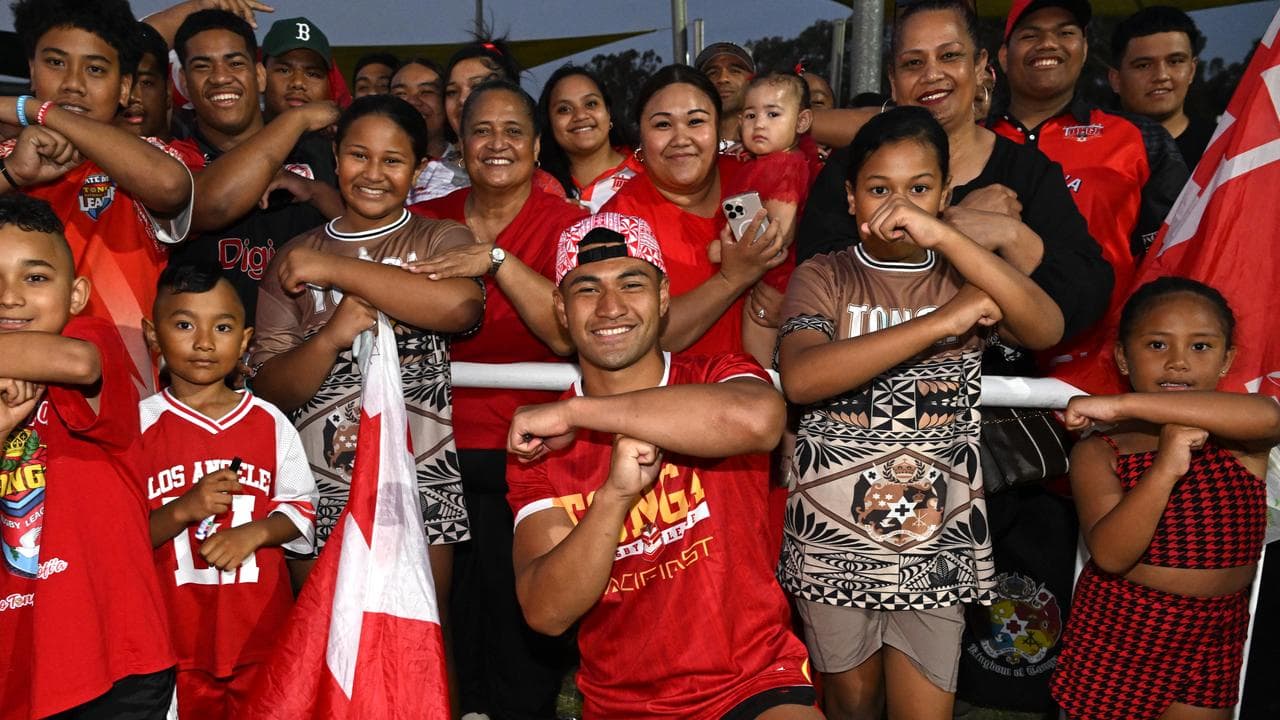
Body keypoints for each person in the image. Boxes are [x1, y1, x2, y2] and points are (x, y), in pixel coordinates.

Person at [777, 107, 1063, 720]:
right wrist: (942, 322)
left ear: (945, 193)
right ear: (851, 197)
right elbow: (802, 377)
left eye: (919, 189)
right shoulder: (823, 274)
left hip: (934, 540)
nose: (898, 208)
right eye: (879, 189)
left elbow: (1046, 325)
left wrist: (950, 239)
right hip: (832, 539)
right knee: (851, 708)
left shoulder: (965, 271)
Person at [507, 211, 820, 720]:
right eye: (587, 290)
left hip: (753, 679)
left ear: (662, 295)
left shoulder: (719, 373)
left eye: (632, 284)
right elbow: (546, 612)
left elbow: (758, 421)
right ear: (561, 311)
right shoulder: (540, 445)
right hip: (623, 701)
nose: (611, 308)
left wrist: (578, 411)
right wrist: (613, 499)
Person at [251, 96, 482, 619]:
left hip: (421, 469)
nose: (373, 173)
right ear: (335, 156)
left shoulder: (437, 237)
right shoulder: (296, 254)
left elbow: (460, 306)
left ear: (420, 168)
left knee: (422, 625)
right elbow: (268, 387)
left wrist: (335, 272)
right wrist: (330, 337)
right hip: (317, 475)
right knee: (320, 626)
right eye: (359, 155)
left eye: (394, 160)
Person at [800, 0, 1110, 378]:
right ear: (893, 81)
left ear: (980, 66)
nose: (933, 75)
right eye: (914, 63)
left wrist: (1011, 234)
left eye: (949, 56)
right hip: (862, 396)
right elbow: (823, 288)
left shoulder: (1027, 171)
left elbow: (1083, 299)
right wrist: (952, 226)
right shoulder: (852, 166)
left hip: (997, 407)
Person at [408, 79, 588, 720]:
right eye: (482, 130)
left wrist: (497, 260)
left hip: (532, 455)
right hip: (435, 454)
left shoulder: (573, 227)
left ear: (538, 147)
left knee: (520, 631)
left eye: (514, 131)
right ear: (460, 143)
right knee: (447, 625)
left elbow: (568, 329)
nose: (497, 143)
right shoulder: (426, 221)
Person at [1050, 277, 1280, 720]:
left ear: (1227, 358)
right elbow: (1113, 556)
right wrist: (1164, 471)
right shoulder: (1101, 451)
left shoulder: (1237, 438)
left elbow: (1269, 415)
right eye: (1157, 345)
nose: (1178, 363)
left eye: (1200, 347)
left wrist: (1123, 405)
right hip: (1122, 631)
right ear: (1122, 355)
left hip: (1215, 629)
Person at [0, 194, 175, 719]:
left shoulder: (89, 338)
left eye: (35, 278)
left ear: (76, 294)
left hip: (114, 657)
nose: (10, 298)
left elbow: (73, 362)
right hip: (17, 660)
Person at [139, 262, 317, 720]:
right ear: (152, 334)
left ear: (244, 341)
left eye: (222, 327)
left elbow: (302, 508)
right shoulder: (136, 427)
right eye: (183, 324)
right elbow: (121, 541)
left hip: (258, 632)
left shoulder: (270, 421)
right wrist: (183, 510)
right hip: (173, 640)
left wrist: (253, 533)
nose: (203, 342)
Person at [1, 0, 195, 394]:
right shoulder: (7, 159)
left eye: (95, 69)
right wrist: (12, 174)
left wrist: (38, 111)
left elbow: (171, 187)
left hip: (122, 402)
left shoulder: (147, 160)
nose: (73, 83)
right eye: (55, 63)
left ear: (124, 88)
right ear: (31, 69)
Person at [993, 0, 1187, 365]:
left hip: (1104, 369)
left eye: (1065, 33)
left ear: (1083, 48)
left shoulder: (1141, 137)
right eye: (1030, 34)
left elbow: (1174, 262)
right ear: (1003, 56)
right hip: (983, 365)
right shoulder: (972, 139)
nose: (1048, 44)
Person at [601, 64, 787, 365]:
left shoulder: (756, 180)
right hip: (678, 397)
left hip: (769, 387)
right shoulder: (619, 220)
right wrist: (732, 279)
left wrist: (792, 305)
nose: (680, 138)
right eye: (663, 125)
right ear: (640, 138)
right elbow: (646, 335)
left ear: (720, 128)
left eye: (696, 121)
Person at [168, 9, 341, 320]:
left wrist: (316, 192)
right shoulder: (173, 157)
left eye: (235, 63)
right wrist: (297, 118)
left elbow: (370, 240)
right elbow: (212, 206)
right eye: (202, 66)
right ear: (183, 81)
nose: (221, 77)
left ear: (259, 75)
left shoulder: (320, 152)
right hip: (208, 357)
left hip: (311, 352)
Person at [1110, 6, 1214, 168]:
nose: (1161, 75)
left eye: (1175, 61)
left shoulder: (1222, 147)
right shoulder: (1092, 151)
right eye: (1143, 65)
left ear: (1192, 71)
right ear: (1116, 80)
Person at [536, 64, 641, 212]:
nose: (580, 115)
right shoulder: (537, 187)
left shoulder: (646, 172)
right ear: (549, 122)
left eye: (591, 104)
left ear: (608, 112)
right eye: (564, 109)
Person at [394, 58, 462, 203]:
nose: (412, 101)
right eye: (400, 94)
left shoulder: (469, 167)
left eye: (426, 92)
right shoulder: (373, 169)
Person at [260, 16, 336, 120]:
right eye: (284, 70)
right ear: (260, 76)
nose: (298, 82)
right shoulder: (239, 133)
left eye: (313, 74)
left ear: (328, 85)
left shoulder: (346, 135)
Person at [116, 21, 174, 140]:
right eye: (120, 84)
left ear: (168, 90)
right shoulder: (75, 157)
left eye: (146, 83)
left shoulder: (200, 158)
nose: (132, 97)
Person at [695, 41, 755, 150]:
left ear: (752, 81)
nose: (723, 78)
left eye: (735, 71)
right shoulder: (688, 148)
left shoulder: (776, 148)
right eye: (712, 73)